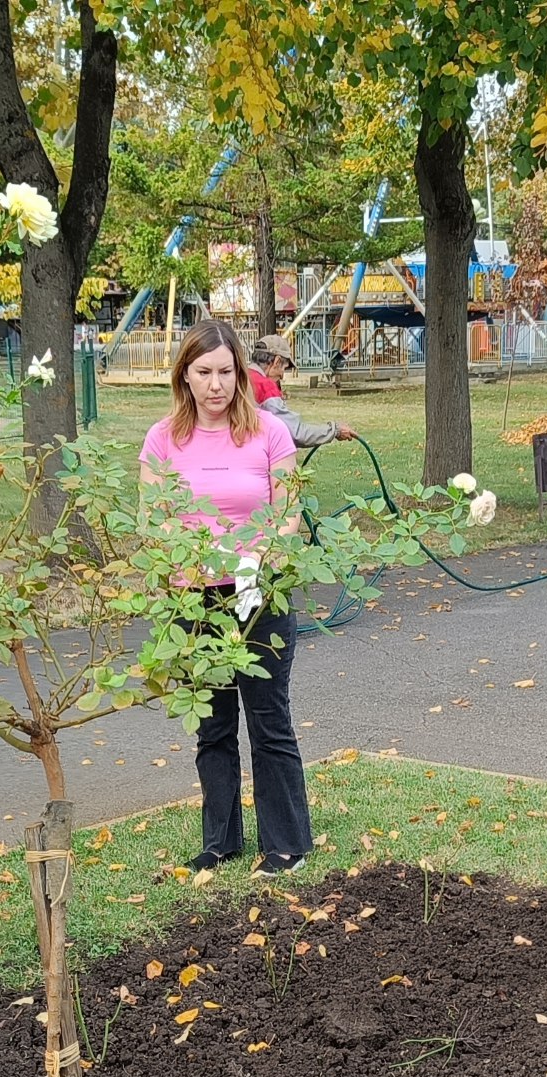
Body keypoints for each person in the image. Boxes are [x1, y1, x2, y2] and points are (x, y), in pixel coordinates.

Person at [139, 317, 308, 875]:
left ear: (241, 373)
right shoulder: (163, 439)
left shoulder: (270, 433)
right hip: (193, 600)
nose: (216, 385)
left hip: (258, 593)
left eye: (226, 372)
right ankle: (220, 842)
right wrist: (183, 566)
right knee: (211, 724)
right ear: (184, 376)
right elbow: (153, 521)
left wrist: (258, 562)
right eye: (204, 372)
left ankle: (285, 843)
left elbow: (288, 516)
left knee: (268, 718)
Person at [249, 334, 354, 450]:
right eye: (284, 368)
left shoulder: (239, 377)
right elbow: (296, 433)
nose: (282, 376)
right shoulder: (265, 387)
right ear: (277, 361)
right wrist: (335, 430)